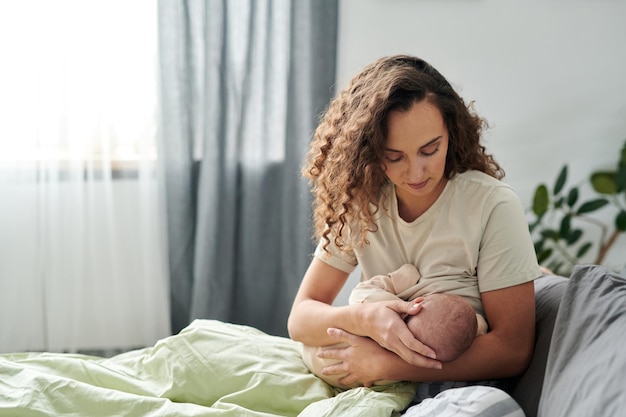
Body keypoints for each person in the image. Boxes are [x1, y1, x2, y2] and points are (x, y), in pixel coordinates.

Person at [287, 54, 542, 415]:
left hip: (456, 385)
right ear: (371, 153)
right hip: (369, 380)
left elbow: (513, 349)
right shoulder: (362, 203)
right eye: (394, 157)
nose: (416, 172)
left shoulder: (491, 205)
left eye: (429, 149)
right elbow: (300, 317)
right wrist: (366, 319)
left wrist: (387, 364)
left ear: (451, 132)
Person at [302, 263, 486, 388]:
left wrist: (399, 278)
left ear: (418, 302)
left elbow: (360, 293)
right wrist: (476, 327)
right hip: (349, 379)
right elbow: (474, 329)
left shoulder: (384, 305)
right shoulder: (407, 369)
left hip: (317, 350)